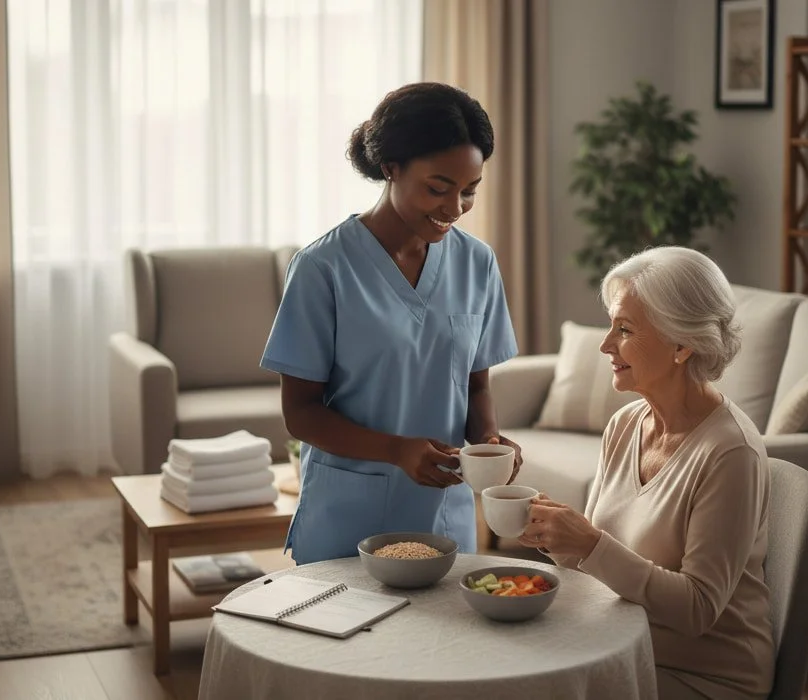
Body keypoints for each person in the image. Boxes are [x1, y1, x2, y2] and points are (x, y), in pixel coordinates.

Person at [261, 82, 522, 565]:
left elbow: (476, 386)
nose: (454, 209)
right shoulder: (323, 268)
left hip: (445, 515)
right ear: (390, 168)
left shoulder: (477, 263)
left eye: (469, 191)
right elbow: (300, 412)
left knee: (442, 642)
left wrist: (488, 442)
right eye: (438, 188)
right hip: (347, 517)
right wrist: (396, 450)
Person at [519, 247, 773, 700]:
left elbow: (698, 608)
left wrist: (590, 544)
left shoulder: (732, 453)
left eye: (625, 329)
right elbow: (602, 567)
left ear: (681, 344)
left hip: (705, 678)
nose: (605, 344)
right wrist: (559, 538)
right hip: (619, 650)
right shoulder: (625, 424)